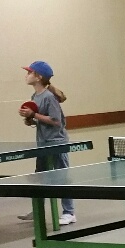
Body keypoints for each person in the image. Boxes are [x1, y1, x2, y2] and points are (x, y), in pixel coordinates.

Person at [17, 61, 75, 226]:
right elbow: (41, 119)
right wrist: (30, 119)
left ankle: (69, 213)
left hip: (56, 142)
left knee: (62, 178)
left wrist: (34, 115)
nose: (26, 75)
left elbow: (56, 121)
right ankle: (38, 210)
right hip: (42, 142)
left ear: (38, 77)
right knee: (40, 177)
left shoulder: (49, 97)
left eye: (29, 72)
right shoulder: (35, 96)